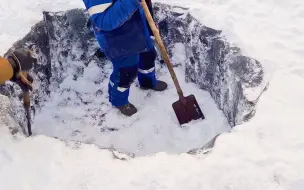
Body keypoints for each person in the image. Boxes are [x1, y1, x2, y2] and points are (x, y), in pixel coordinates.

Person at [82, 0, 168, 116]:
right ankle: (119, 100)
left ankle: (147, 82)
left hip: (139, 28)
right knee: (126, 72)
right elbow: (104, 21)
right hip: (117, 39)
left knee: (148, 56)